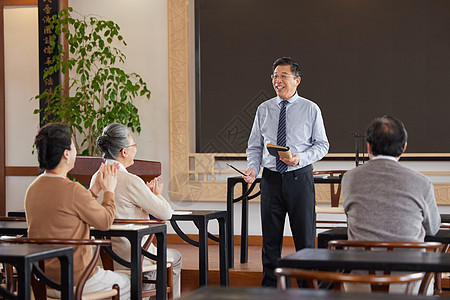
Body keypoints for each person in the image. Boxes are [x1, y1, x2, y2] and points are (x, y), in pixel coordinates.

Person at [244, 57, 329, 287]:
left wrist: (300, 158)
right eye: (274, 76)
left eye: (283, 76)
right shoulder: (264, 109)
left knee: (304, 241)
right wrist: (253, 168)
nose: (277, 81)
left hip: (299, 179)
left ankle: (307, 289)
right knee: (270, 242)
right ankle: (270, 289)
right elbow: (254, 146)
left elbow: (322, 145)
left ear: (297, 80)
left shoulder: (310, 109)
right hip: (270, 180)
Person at [25, 122, 130, 299]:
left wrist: (94, 191)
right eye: (74, 147)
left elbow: (68, 210)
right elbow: (105, 222)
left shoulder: (32, 188)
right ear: (66, 154)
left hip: (42, 279)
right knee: (126, 283)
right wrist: (109, 191)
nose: (76, 152)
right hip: (75, 278)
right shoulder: (72, 189)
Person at [342, 116, 440, 294]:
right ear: (404, 147)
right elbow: (433, 228)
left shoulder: (350, 178)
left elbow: (350, 217)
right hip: (410, 283)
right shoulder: (422, 182)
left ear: (369, 146)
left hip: (360, 283)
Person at [91, 123, 182, 298]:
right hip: (135, 257)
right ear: (124, 151)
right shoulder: (131, 180)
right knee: (174, 257)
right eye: (134, 146)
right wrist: (155, 195)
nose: (135, 150)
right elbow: (166, 213)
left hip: (106, 257)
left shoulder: (97, 177)